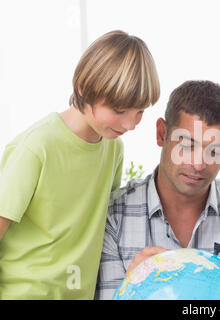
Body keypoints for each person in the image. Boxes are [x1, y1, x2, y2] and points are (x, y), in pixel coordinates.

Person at [0, 30, 160, 299]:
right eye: (119, 111)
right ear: (83, 90)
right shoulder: (37, 147)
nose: (130, 124)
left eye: (140, 112)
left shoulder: (113, 148)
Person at [95, 80, 220, 300]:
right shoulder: (114, 217)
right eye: (187, 145)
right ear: (161, 133)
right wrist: (135, 288)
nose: (198, 164)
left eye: (214, 150)